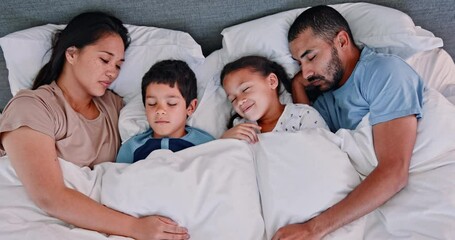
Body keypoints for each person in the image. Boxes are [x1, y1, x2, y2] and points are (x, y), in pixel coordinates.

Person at [0, 12, 189, 240]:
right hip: (33, 218)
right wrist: (136, 228)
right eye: (104, 59)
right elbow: (48, 196)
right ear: (71, 54)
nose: (112, 71)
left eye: (119, 65)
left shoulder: (115, 108)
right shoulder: (33, 106)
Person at [273, 5, 424, 239]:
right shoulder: (326, 100)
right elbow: (308, 136)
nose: (307, 72)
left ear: (342, 41)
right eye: (299, 64)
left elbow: (394, 172)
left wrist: (313, 228)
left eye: (311, 57)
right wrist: (296, 86)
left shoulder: (383, 72)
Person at [116, 60, 214, 163]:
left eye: (171, 103)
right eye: (152, 103)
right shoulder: (131, 148)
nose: (160, 111)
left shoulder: (205, 145)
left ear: (190, 107)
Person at [220, 55, 328, 143]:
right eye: (233, 99)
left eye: (245, 89)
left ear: (272, 81)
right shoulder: (239, 128)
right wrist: (224, 141)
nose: (239, 101)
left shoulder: (302, 116)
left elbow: (323, 152)